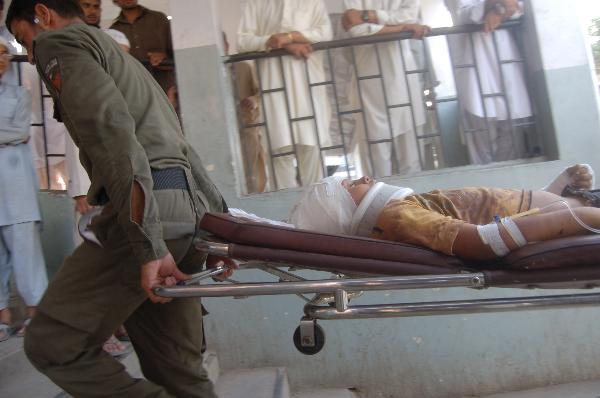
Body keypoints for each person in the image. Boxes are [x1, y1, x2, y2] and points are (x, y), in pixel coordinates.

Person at [7, 1, 234, 396]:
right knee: (178, 370)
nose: (29, 55)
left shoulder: (59, 42)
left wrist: (147, 246)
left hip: (148, 213)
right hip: (188, 213)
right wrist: (219, 226)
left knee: (51, 343)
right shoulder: (123, 58)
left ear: (42, 14)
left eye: (24, 41)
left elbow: (112, 136)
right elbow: (183, 148)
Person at [290, 164, 600, 261]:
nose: (366, 179)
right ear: (344, 211)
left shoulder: (397, 212)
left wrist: (557, 191)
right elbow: (485, 240)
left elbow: (490, 214)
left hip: (556, 207)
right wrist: (579, 217)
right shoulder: (395, 216)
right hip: (570, 214)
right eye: (353, 184)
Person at [238, 0, 333, 189]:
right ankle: (287, 217)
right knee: (279, 155)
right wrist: (275, 42)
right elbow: (242, 41)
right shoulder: (256, 4)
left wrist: (289, 37)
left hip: (309, 90)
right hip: (274, 92)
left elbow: (326, 33)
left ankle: (320, 213)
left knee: (313, 153)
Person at [342, 0, 430, 178]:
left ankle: (413, 206)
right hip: (369, 86)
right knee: (377, 170)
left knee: (412, 165)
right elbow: (356, 31)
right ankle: (380, 206)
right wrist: (403, 28)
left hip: (403, 81)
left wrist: (368, 16)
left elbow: (409, 15)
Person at [0, 36, 48, 342]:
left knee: (26, 251)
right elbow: (12, 134)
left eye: (4, 53)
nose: (1, 58)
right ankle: (3, 318)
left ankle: (36, 314)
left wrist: (12, 136)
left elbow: (19, 131)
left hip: (15, 186)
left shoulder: (17, 95)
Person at [444, 0, 532, 165]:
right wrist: (496, 3)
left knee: (513, 129)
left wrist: (498, 11)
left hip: (505, 61)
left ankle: (508, 187)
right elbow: (466, 14)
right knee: (480, 136)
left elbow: (517, 7)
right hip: (474, 65)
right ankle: (486, 188)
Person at [223, 32, 268, 194]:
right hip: (222, 132)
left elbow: (260, 94)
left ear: (226, 45)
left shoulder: (243, 67)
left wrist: (253, 101)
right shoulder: (208, 71)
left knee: (252, 172)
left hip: (246, 127)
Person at [110, 0, 176, 98]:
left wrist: (165, 57)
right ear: (115, 1)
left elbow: (179, 56)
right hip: (135, 92)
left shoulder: (159, 19)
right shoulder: (113, 31)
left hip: (165, 90)